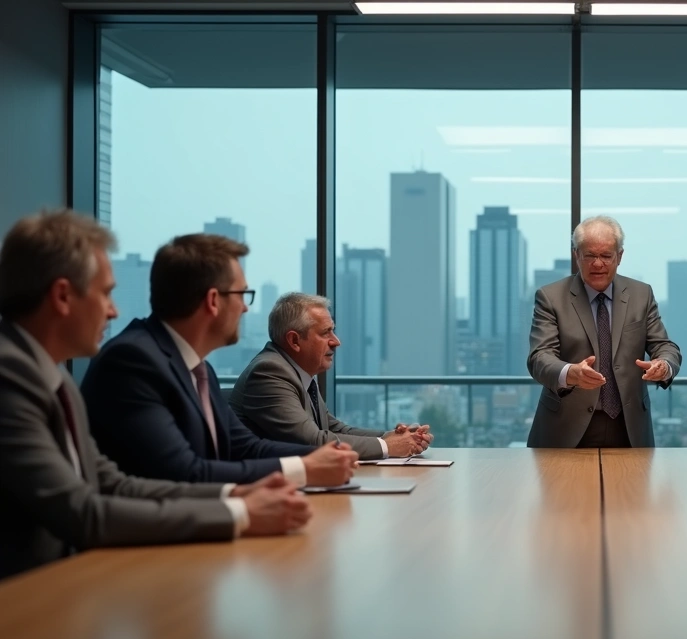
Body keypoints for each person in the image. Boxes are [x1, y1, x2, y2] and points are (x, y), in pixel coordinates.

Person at [0, 210, 310, 580]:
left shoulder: (53, 377)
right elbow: (81, 512)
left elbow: (112, 483)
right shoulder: (10, 377)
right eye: (106, 293)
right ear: (63, 296)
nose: (113, 310)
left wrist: (234, 496)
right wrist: (240, 514)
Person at [80, 233, 358, 486]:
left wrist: (327, 455)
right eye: (242, 295)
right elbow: (185, 473)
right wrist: (304, 469)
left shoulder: (200, 369)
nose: (245, 307)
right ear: (213, 300)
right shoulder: (133, 361)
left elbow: (246, 447)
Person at [526, 216, 682, 448]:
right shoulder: (550, 297)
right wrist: (570, 373)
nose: (597, 264)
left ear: (619, 256)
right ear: (576, 255)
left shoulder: (641, 295)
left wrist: (663, 365)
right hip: (564, 428)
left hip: (629, 428)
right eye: (589, 255)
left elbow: (665, 346)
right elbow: (539, 357)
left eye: (606, 256)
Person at [228, 292, 433, 460]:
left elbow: (336, 429)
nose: (336, 341)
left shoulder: (298, 371)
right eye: (326, 333)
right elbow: (313, 442)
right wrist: (387, 446)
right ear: (294, 340)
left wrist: (394, 437)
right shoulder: (270, 372)